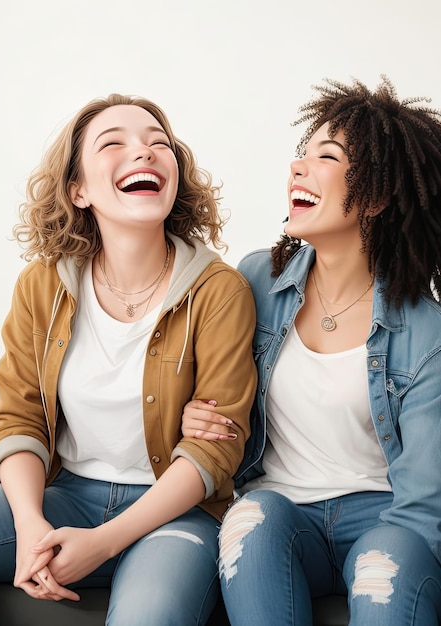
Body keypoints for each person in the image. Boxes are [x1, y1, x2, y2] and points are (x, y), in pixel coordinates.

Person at [0, 93, 257, 626]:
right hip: (65, 497)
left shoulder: (220, 291)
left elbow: (214, 452)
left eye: (157, 143)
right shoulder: (41, 285)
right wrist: (30, 525)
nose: (143, 153)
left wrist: (103, 542)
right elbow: (19, 420)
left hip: (176, 515)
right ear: (78, 189)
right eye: (113, 143)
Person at [182, 76, 441, 625]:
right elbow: (202, 380)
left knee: (387, 568)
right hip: (279, 510)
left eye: (324, 156)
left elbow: (423, 504)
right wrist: (191, 410)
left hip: (384, 518)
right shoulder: (254, 280)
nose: (297, 167)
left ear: (375, 194)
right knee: (248, 523)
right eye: (300, 155)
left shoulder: (427, 330)